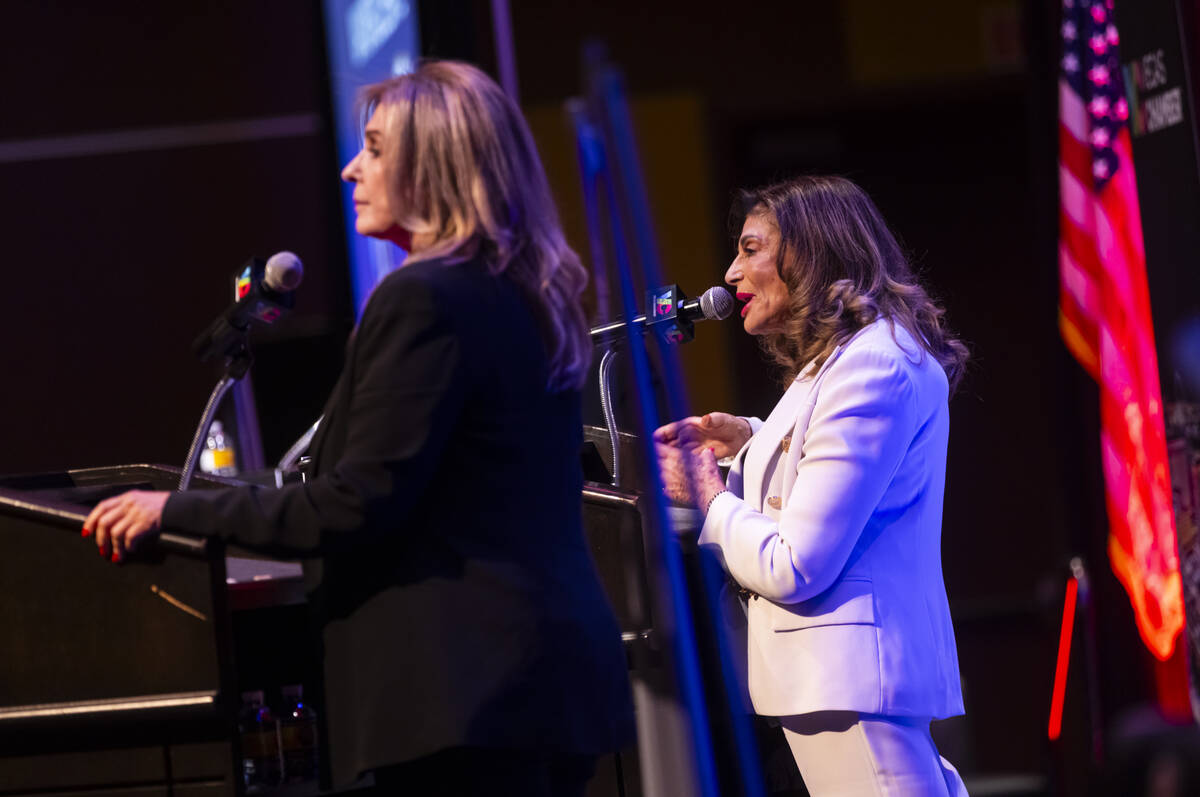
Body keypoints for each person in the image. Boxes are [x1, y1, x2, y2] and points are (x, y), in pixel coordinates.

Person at [83, 60, 634, 796]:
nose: (350, 169)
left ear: (433, 163)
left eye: (374, 148)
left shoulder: (425, 299)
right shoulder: (526, 295)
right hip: (534, 686)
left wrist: (175, 509)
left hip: (465, 697)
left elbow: (354, 502)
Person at [655, 175, 970, 796]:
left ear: (808, 252)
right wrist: (751, 439)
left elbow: (796, 564)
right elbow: (828, 472)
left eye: (750, 249)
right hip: (836, 686)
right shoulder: (847, 360)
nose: (730, 273)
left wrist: (710, 496)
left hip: (850, 687)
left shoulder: (871, 366)